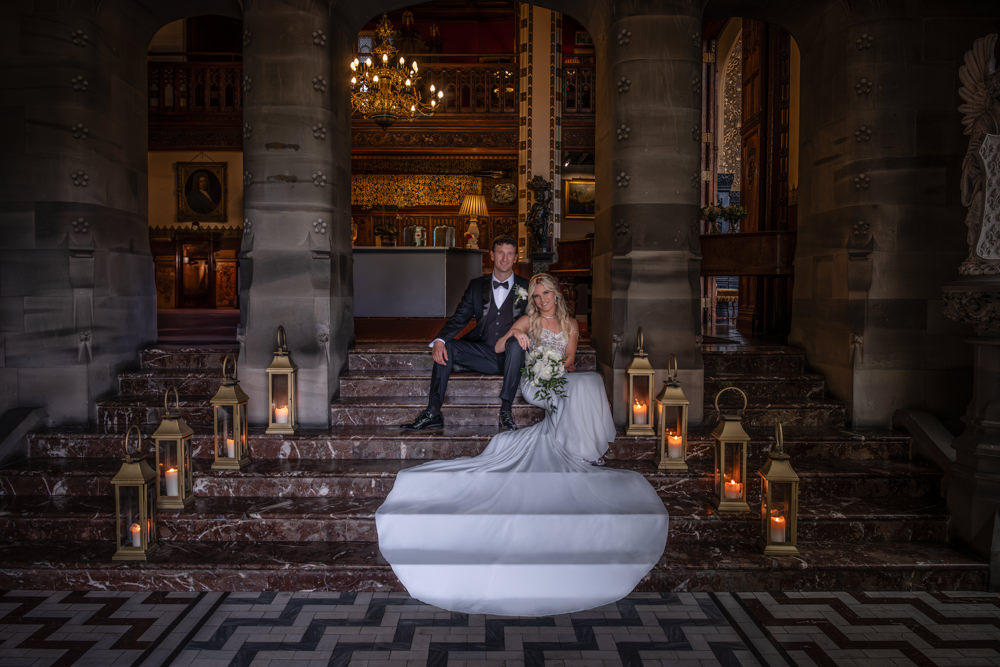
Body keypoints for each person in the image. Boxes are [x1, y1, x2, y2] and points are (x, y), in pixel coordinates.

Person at [377, 273, 670, 616]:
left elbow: (570, 360)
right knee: (576, 387)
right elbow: (501, 347)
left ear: (556, 294)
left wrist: (557, 368)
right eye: (537, 294)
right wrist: (517, 334)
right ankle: (572, 446)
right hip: (534, 382)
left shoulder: (572, 324)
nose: (543, 298)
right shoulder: (528, 319)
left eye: (546, 293)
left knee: (588, 380)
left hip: (557, 377)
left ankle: (581, 448)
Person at [401, 236, 530, 432]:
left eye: (510, 253)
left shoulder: (527, 286)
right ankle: (433, 412)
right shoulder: (476, 286)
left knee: (515, 344)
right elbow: (460, 318)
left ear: (515, 258)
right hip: (484, 353)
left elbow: (540, 319)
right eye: (500, 253)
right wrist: (439, 339)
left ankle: (505, 411)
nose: (505, 258)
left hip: (513, 357)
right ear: (492, 256)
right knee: (448, 347)